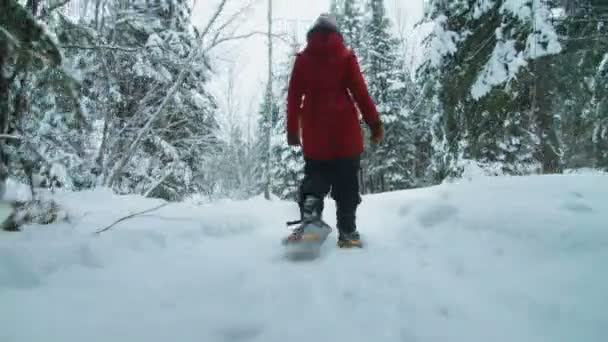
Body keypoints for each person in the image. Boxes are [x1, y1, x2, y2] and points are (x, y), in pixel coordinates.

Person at [282, 13, 384, 248]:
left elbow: (293, 98)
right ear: (336, 33)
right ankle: (348, 233)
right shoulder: (345, 57)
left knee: (315, 181)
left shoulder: (303, 59)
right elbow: (360, 93)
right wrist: (374, 123)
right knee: (347, 184)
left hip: (315, 134)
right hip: (345, 133)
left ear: (313, 33)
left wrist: (292, 131)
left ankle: (311, 227)